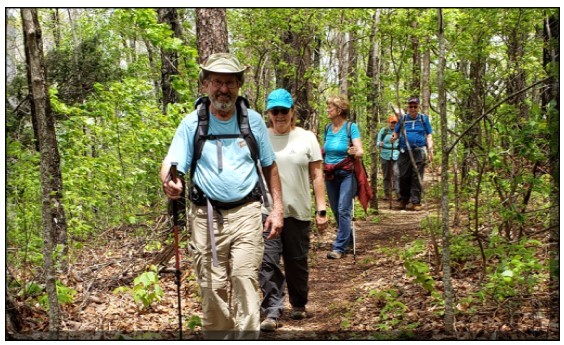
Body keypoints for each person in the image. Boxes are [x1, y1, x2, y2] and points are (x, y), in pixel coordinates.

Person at [160, 53, 284, 339]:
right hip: (205, 216)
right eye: (217, 82)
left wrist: (277, 209)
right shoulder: (192, 124)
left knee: (244, 279)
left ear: (239, 85)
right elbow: (172, 164)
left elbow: (269, 166)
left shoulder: (252, 122)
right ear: (205, 85)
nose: (223, 89)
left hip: (247, 213)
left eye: (229, 82)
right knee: (211, 287)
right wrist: (170, 182)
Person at [259, 89, 328, 332]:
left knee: (296, 262)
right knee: (268, 263)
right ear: (268, 113)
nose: (279, 115)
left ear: (292, 112)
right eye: (274, 111)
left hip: (298, 210)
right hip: (266, 211)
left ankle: (298, 303)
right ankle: (272, 311)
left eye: (283, 111)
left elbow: (317, 174)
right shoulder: (260, 136)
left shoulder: (307, 137)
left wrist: (321, 209)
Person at [323, 95, 364, 259]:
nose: (327, 110)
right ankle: (348, 240)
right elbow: (326, 148)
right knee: (335, 210)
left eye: (330, 107)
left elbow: (359, 150)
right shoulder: (327, 128)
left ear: (339, 110)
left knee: (343, 209)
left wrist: (356, 152)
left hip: (347, 173)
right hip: (330, 174)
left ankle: (339, 248)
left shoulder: (350, 127)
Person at [390, 96, 434, 211]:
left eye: (415, 106)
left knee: (417, 176)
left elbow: (429, 135)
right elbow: (396, 132)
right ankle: (404, 200)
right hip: (404, 151)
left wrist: (430, 150)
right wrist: (394, 137)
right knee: (403, 175)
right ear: (408, 107)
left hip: (419, 151)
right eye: (411, 106)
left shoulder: (423, 119)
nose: (413, 108)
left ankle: (415, 202)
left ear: (418, 107)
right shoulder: (403, 119)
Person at [376, 115, 400, 201]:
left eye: (395, 123)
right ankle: (387, 194)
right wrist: (380, 144)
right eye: (392, 122)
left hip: (396, 155)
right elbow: (377, 142)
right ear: (388, 122)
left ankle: (398, 193)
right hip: (385, 155)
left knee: (397, 174)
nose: (393, 124)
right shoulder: (383, 131)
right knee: (386, 175)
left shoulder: (399, 131)